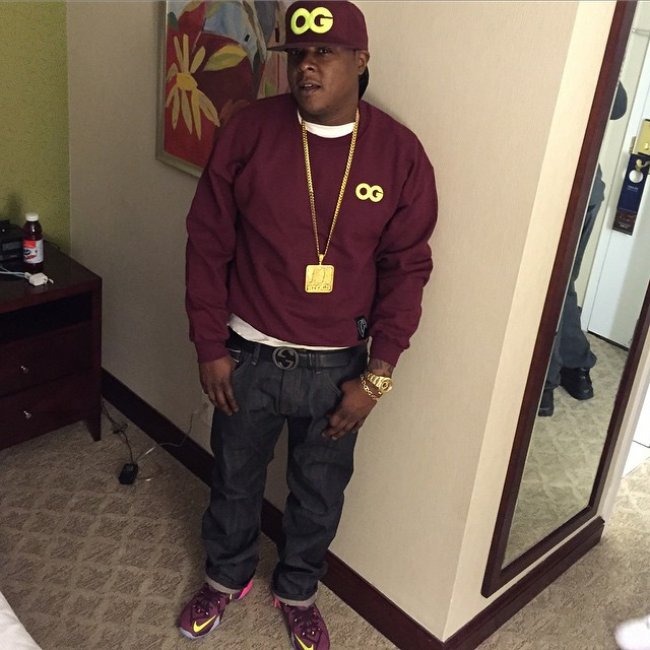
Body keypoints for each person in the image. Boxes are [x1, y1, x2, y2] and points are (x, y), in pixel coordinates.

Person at [179, 2, 438, 648]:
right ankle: (225, 577)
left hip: (338, 367)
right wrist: (209, 343)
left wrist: (378, 377)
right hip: (247, 355)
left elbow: (407, 270)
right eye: (297, 54)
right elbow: (207, 242)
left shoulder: (399, 154)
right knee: (233, 478)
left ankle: (297, 590)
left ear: (361, 60)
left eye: (324, 52)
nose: (307, 66)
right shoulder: (249, 131)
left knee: (319, 493)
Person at [539, 82, 627, 417]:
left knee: (552, 288)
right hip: (580, 188)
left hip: (573, 192)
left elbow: (617, 105)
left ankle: (545, 384)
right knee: (563, 286)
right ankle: (576, 365)